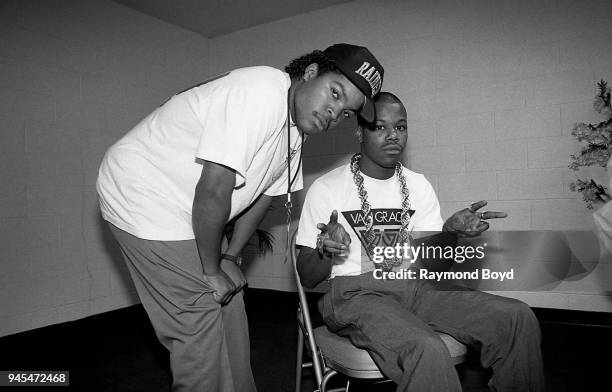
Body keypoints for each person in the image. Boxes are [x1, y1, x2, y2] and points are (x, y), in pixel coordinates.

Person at [96, 43, 385, 392]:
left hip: (188, 207)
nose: (333, 113)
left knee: (231, 306)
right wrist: (211, 269)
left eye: (345, 113)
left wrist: (230, 257)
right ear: (310, 73)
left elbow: (264, 198)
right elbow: (216, 188)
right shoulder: (262, 90)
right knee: (198, 319)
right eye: (334, 93)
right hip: (143, 193)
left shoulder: (294, 133)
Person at [295, 92, 545, 391]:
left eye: (400, 127)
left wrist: (449, 234)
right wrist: (325, 249)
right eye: (379, 127)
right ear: (360, 131)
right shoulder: (327, 189)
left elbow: (433, 265)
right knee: (426, 347)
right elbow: (308, 277)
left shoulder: (418, 185)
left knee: (517, 317)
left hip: (415, 285)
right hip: (355, 294)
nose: (392, 136)